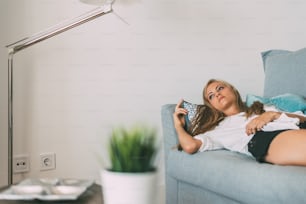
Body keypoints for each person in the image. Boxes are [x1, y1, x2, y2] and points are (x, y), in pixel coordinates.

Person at [173, 79, 306, 166]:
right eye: (211, 96)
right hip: (266, 137)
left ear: (233, 90)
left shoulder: (260, 108)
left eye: (220, 88)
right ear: (212, 105)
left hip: (296, 125)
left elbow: (302, 118)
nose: (217, 94)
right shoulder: (217, 130)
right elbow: (190, 146)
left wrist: (271, 115)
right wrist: (178, 125)